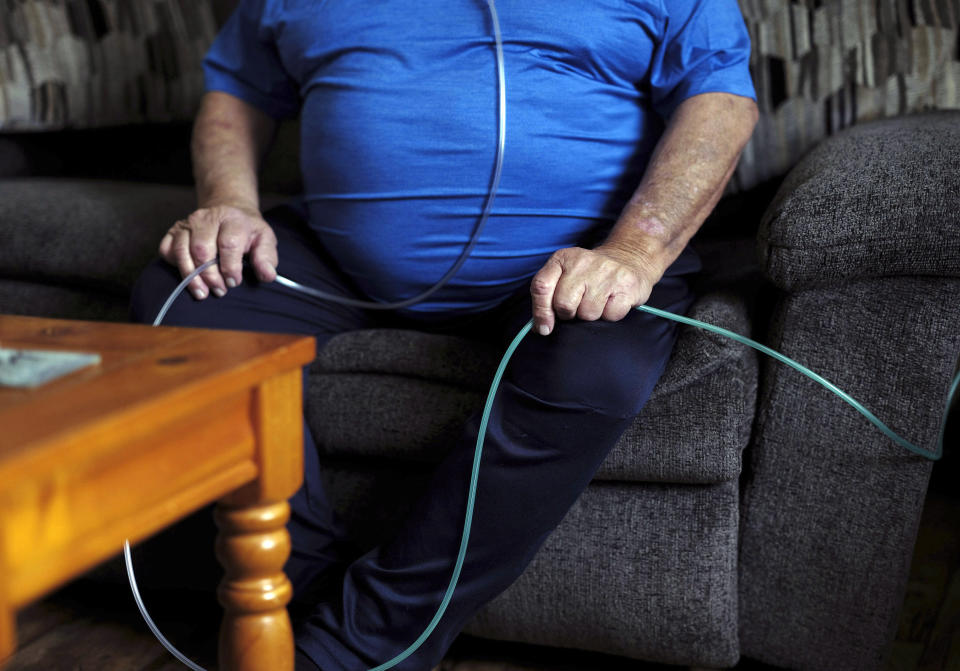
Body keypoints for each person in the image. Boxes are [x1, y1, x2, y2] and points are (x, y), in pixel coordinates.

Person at [130, 1, 758, 669]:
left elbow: (720, 99)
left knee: (596, 369)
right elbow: (237, 90)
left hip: (584, 258)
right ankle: (302, 600)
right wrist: (229, 202)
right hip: (337, 259)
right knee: (187, 299)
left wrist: (637, 250)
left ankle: (360, 643)